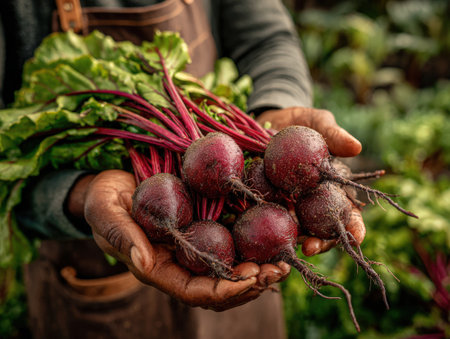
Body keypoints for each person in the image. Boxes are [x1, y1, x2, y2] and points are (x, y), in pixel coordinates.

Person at [0, 1, 364, 338]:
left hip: (249, 255)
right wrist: (76, 194)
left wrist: (276, 109)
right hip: (93, 283)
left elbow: (268, 38)